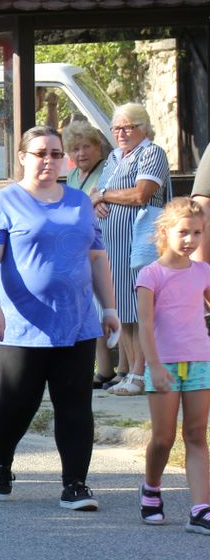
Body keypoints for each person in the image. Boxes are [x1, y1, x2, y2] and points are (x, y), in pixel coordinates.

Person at [0, 125, 120, 511]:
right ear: (23, 157)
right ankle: (0, 464)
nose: (49, 161)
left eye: (56, 154)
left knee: (75, 403)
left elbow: (97, 257)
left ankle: (75, 484)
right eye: (40, 153)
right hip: (22, 325)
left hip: (77, 321)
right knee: (18, 401)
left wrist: (109, 308)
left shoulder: (78, 202)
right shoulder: (2, 202)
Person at [134, 197, 210, 534]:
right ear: (165, 232)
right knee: (163, 438)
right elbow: (145, 325)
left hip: (199, 362)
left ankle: (200, 509)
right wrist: (154, 365)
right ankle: (151, 489)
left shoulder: (203, 272)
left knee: (196, 434)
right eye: (183, 232)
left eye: (197, 233)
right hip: (163, 363)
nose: (191, 240)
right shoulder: (151, 274)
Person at [90, 104, 171, 397]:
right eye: (116, 128)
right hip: (112, 244)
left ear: (143, 128)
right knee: (123, 310)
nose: (121, 133)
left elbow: (141, 194)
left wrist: (104, 196)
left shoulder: (151, 153)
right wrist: (97, 200)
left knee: (139, 309)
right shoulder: (113, 156)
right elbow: (95, 192)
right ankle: (131, 373)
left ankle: (141, 373)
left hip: (138, 242)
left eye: (128, 127)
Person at [63, 121, 117, 388]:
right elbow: (79, 204)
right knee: (91, 309)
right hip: (79, 245)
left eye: (86, 146)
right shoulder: (73, 176)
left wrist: (94, 200)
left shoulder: (107, 169)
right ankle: (103, 369)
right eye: (75, 149)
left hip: (104, 243)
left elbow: (98, 199)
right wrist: (89, 201)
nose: (81, 153)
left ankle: (121, 369)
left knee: (111, 307)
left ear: (97, 147)